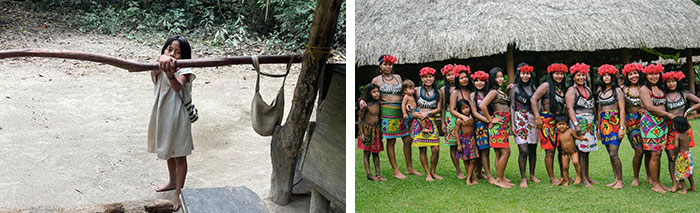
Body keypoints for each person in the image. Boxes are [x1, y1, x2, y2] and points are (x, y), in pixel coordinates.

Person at [149, 35, 196, 211]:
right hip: (163, 114)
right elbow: (154, 72)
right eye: (169, 50)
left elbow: (177, 87)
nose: (173, 55)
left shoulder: (187, 69)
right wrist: (161, 62)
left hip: (178, 116)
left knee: (179, 155)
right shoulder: (159, 66)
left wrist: (169, 73)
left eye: (178, 52)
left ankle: (179, 192)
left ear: (185, 57)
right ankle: (171, 181)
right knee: (168, 150)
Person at [359, 54, 422, 179]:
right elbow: (368, 93)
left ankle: (409, 167)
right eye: (385, 64)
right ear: (380, 66)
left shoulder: (398, 77)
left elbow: (406, 91)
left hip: (401, 112)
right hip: (387, 113)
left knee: (407, 139)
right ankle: (395, 170)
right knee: (391, 141)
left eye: (390, 64)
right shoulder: (376, 80)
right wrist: (361, 100)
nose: (388, 67)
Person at [639, 63, 675, 193]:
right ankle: (655, 184)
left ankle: (657, 181)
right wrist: (667, 114)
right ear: (646, 75)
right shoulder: (644, 89)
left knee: (657, 154)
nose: (654, 76)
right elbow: (649, 107)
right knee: (655, 154)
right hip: (650, 124)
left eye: (656, 73)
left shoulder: (660, 88)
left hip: (662, 124)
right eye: (651, 74)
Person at [531, 63, 568, 185]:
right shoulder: (546, 86)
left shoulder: (562, 87)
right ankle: (552, 178)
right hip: (547, 120)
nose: (559, 76)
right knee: (550, 151)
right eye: (557, 73)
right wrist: (537, 117)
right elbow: (533, 99)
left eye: (561, 73)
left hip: (560, 120)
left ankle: (564, 175)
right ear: (551, 74)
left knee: (562, 149)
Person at [663, 71, 699, 191]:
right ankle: (675, 183)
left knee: (683, 155)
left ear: (678, 81)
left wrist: (688, 110)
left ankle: (689, 183)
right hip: (670, 128)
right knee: (671, 156)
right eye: (668, 81)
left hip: (683, 128)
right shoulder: (664, 95)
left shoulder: (684, 93)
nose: (671, 84)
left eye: (673, 81)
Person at [479, 67, 514, 188]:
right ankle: (499, 179)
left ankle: (501, 176)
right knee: (506, 152)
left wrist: (508, 91)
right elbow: (483, 106)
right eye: (497, 77)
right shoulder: (493, 92)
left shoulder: (500, 91)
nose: (500, 79)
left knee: (499, 153)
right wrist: (490, 120)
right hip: (498, 125)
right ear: (493, 79)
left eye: (501, 76)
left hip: (503, 124)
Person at [565, 62, 597, 188]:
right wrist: (576, 124)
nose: (581, 78)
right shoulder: (572, 90)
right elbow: (570, 108)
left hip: (589, 123)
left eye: (583, 75)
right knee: (581, 150)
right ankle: (583, 178)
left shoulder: (587, 89)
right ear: (573, 77)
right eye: (578, 75)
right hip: (579, 122)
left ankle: (587, 176)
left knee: (587, 151)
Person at [509, 63, 541, 188]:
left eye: (527, 73)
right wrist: (512, 125)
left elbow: (538, 104)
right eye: (523, 73)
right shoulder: (514, 88)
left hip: (532, 120)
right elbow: (511, 106)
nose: (525, 76)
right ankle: (523, 178)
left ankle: (532, 175)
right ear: (519, 74)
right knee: (523, 150)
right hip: (519, 119)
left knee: (533, 149)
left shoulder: (534, 88)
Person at [596, 64, 626, 189]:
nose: (606, 78)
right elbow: (599, 110)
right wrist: (598, 128)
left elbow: (622, 110)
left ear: (613, 76)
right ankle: (616, 178)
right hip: (604, 124)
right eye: (604, 75)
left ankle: (620, 180)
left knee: (614, 153)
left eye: (608, 75)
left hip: (614, 123)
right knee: (610, 153)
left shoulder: (617, 91)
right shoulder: (600, 91)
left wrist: (621, 128)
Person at [621, 63, 651, 187]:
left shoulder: (645, 88)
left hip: (646, 121)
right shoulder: (623, 89)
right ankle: (636, 177)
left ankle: (650, 175)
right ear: (627, 76)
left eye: (635, 73)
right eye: (630, 74)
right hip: (632, 122)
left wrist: (646, 110)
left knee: (648, 150)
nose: (634, 76)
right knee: (638, 150)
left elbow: (654, 103)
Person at [411, 67, 443, 181]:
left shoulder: (438, 92)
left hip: (432, 122)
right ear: (421, 78)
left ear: (434, 78)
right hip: (420, 122)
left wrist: (428, 113)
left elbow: (439, 108)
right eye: (425, 77)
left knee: (435, 149)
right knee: (423, 149)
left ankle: (433, 171)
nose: (427, 79)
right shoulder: (416, 90)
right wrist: (414, 112)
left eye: (430, 76)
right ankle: (427, 173)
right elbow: (409, 102)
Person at [442, 64, 471, 179]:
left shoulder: (466, 88)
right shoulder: (444, 90)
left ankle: (472, 167)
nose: (451, 77)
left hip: (465, 116)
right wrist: (444, 122)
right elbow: (444, 107)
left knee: (468, 141)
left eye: (453, 74)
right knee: (454, 145)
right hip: (451, 118)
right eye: (448, 75)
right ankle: (459, 170)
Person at [469, 70, 495, 183]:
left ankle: (480, 172)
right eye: (477, 81)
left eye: (482, 81)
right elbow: (474, 112)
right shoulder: (473, 95)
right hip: (480, 124)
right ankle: (488, 175)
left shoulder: (489, 93)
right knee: (483, 150)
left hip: (490, 123)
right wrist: (488, 120)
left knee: (487, 149)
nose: (479, 83)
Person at [357, 84, 386, 182]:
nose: (377, 93)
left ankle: (378, 174)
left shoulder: (379, 103)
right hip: (366, 130)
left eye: (378, 91)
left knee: (376, 153)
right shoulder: (365, 105)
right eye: (374, 92)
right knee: (366, 153)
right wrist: (361, 133)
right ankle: (369, 174)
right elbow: (360, 119)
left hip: (376, 130)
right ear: (369, 93)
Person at [554, 115, 584, 187]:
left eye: (563, 124)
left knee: (576, 162)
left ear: (567, 125)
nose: (561, 126)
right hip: (564, 154)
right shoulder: (558, 134)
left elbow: (576, 137)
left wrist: (583, 139)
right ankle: (566, 180)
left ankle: (578, 176)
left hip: (573, 151)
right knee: (565, 167)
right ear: (556, 126)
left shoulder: (570, 131)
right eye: (559, 124)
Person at [455, 99, 479, 185]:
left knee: (472, 160)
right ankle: (470, 178)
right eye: (463, 108)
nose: (466, 110)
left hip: (472, 140)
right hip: (464, 141)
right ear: (460, 110)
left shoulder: (473, 117)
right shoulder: (459, 120)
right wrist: (458, 145)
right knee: (466, 160)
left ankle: (470, 177)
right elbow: (456, 132)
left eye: (467, 107)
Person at [671, 116, 695, 194]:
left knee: (680, 173)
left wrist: (674, 154)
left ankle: (684, 189)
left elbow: (676, 146)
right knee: (689, 172)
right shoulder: (687, 133)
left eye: (673, 125)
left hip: (682, 156)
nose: (672, 126)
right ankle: (692, 186)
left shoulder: (678, 135)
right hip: (689, 154)